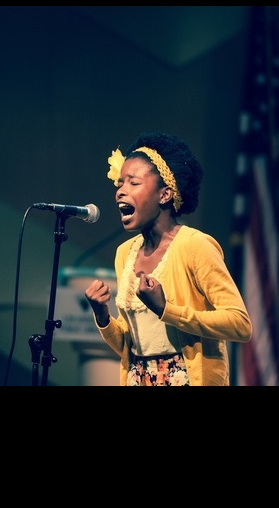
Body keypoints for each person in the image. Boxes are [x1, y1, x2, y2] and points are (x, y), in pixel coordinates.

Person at [84, 131, 252, 386]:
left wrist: (166, 309)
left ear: (165, 195)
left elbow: (240, 324)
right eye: (120, 184)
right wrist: (102, 316)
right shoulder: (124, 254)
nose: (120, 192)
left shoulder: (195, 245)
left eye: (133, 183)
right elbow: (131, 346)